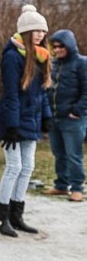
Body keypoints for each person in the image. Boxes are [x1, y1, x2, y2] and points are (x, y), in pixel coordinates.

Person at [0, 5, 53, 237]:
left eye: (43, 30)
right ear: (25, 32)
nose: (40, 34)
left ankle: (16, 216)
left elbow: (41, 92)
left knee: (28, 167)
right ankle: (1, 217)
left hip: (31, 120)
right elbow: (11, 94)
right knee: (14, 167)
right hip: (14, 122)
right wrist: (11, 125)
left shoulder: (40, 55)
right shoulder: (12, 56)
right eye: (35, 30)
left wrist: (46, 117)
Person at [45, 29, 87, 202]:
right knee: (58, 153)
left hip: (73, 119)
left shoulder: (82, 63)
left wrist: (76, 111)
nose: (57, 49)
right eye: (54, 46)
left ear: (69, 45)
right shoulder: (53, 64)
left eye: (61, 46)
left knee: (73, 154)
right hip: (55, 117)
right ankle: (61, 185)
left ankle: (77, 188)